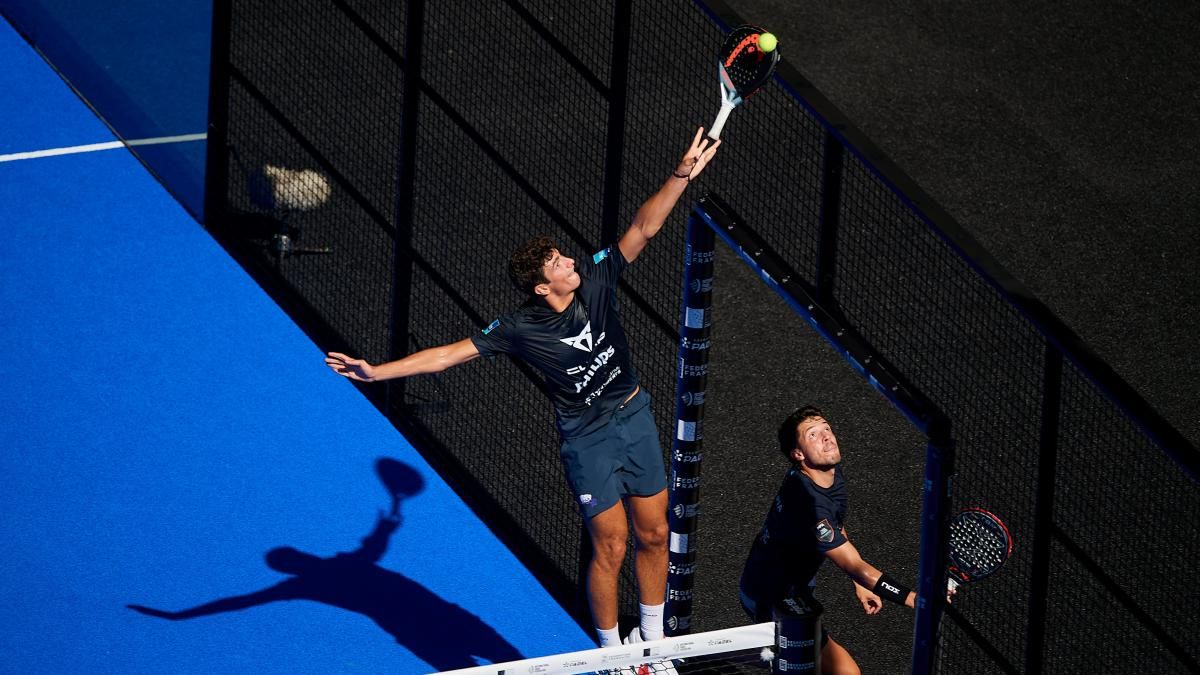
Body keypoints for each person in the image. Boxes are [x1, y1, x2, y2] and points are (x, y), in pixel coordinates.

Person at [325, 128, 721, 647]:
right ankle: (611, 655)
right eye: (557, 264)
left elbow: (644, 228)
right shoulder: (517, 327)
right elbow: (446, 356)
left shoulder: (597, 280)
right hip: (587, 439)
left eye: (563, 256)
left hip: (633, 415)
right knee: (612, 546)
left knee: (653, 533)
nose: (569, 262)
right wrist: (376, 372)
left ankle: (652, 645)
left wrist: (680, 173)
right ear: (541, 287)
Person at [739, 405, 930, 675]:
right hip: (771, 598)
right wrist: (913, 599)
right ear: (798, 454)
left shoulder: (826, 476)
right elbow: (854, 565)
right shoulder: (810, 504)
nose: (827, 436)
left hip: (789, 590)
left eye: (826, 428)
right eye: (813, 435)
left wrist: (860, 586)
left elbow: (836, 529)